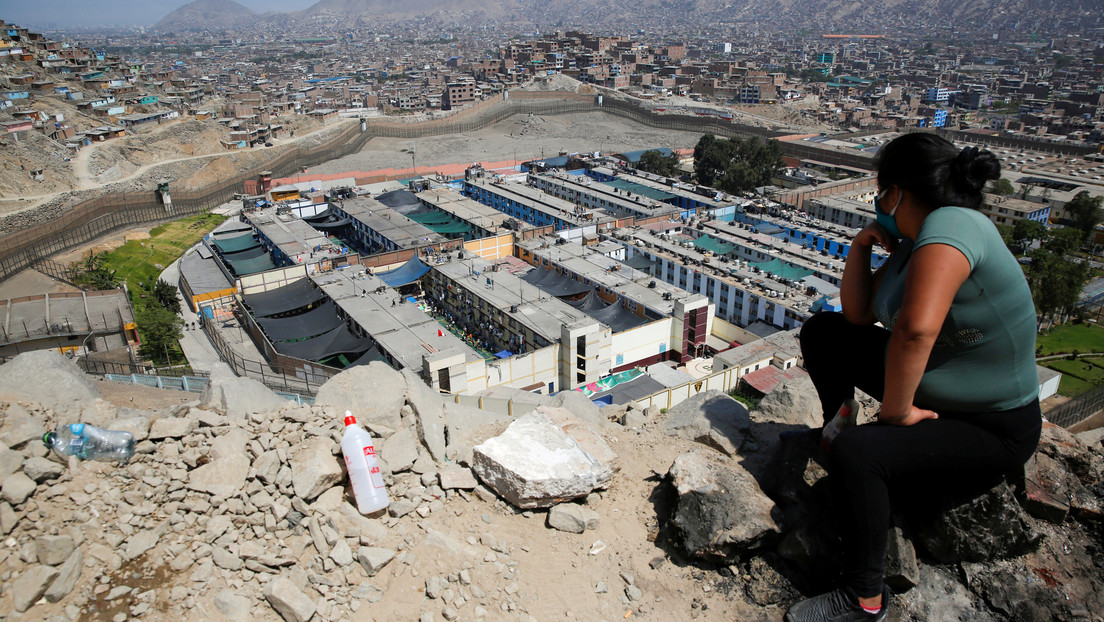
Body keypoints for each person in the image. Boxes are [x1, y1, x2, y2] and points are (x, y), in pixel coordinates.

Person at [787, 134, 1042, 622]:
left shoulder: (952, 228)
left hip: (991, 423)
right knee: (824, 331)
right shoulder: (915, 242)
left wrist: (895, 415)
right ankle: (836, 421)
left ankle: (864, 600)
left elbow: (915, 330)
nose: (879, 205)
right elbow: (859, 315)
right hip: (938, 389)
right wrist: (862, 245)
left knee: (859, 455)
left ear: (898, 192)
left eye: (881, 194)